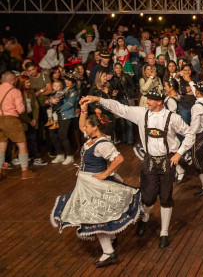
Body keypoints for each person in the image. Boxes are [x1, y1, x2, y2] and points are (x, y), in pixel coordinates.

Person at [81, 87, 195, 249]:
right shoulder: (142, 113)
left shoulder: (173, 117)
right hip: (149, 161)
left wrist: (179, 154)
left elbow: (190, 134)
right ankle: (145, 217)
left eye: (150, 99)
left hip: (167, 161)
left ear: (159, 102)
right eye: (147, 99)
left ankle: (164, 232)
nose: (146, 101)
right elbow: (119, 108)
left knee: (166, 197)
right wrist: (98, 99)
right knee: (147, 197)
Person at [50, 104, 141, 267]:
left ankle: (108, 252)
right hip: (86, 184)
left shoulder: (103, 144)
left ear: (95, 127)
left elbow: (119, 159)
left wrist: (105, 174)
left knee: (94, 217)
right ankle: (111, 239)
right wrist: (83, 109)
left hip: (95, 185)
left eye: (87, 126)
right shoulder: (92, 139)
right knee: (97, 215)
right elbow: (80, 125)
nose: (84, 128)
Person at [0, 71, 37, 179]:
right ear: (14, 80)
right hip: (11, 120)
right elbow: (20, 110)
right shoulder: (15, 91)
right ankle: (25, 171)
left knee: (1, 145)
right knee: (22, 144)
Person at [180, 80, 203, 196]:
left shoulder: (196, 107)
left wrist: (189, 136)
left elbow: (195, 126)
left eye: (196, 90)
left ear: (198, 93)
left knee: (196, 159)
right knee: (202, 157)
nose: (194, 91)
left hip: (200, 134)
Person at [48, 72, 79, 166]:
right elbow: (54, 97)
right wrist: (51, 100)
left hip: (66, 115)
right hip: (56, 114)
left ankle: (69, 155)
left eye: (69, 80)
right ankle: (60, 153)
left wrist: (57, 109)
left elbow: (70, 104)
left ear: (73, 82)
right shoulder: (64, 89)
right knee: (52, 134)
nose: (67, 81)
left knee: (63, 135)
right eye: (66, 79)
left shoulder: (73, 91)